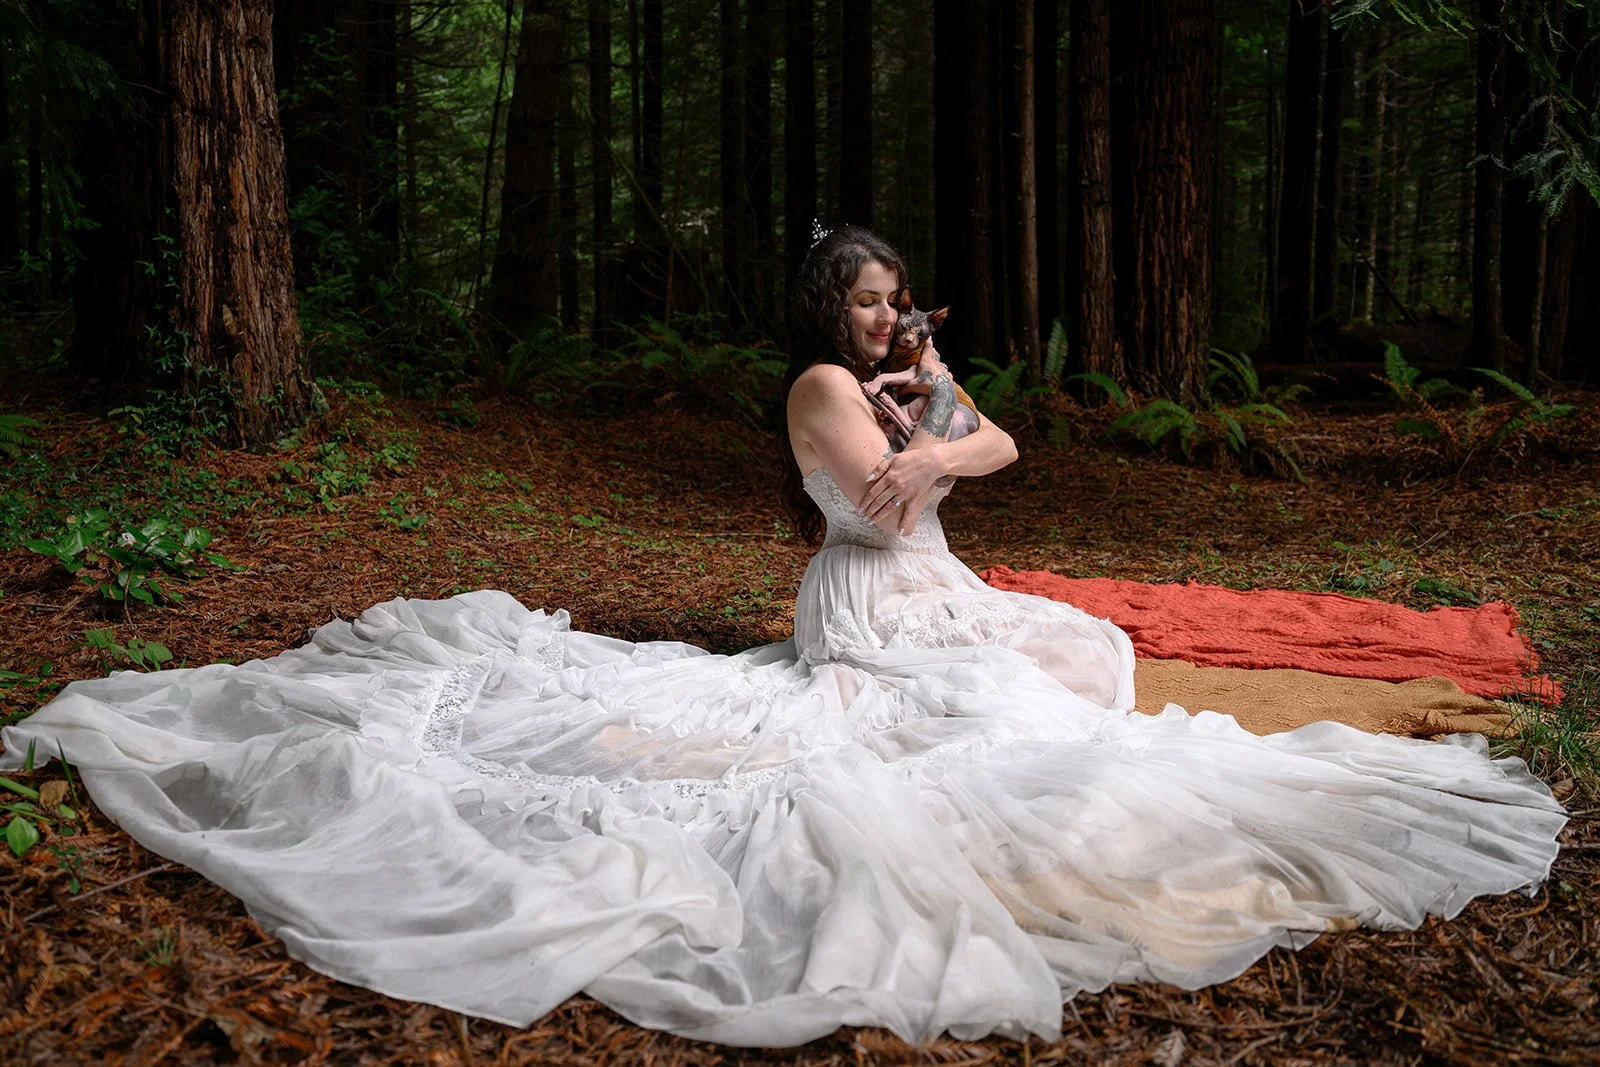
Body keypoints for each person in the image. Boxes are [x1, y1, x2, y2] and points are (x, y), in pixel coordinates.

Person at [0, 227, 1567, 1050]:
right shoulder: (822, 390)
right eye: (874, 304)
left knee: (1092, 657)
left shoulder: (908, 387)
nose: (891, 323)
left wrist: (947, 424)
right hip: (877, 602)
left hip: (944, 574)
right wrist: (926, 436)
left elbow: (994, 451)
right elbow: (882, 508)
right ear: (835, 311)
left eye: (904, 305)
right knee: (986, 740)